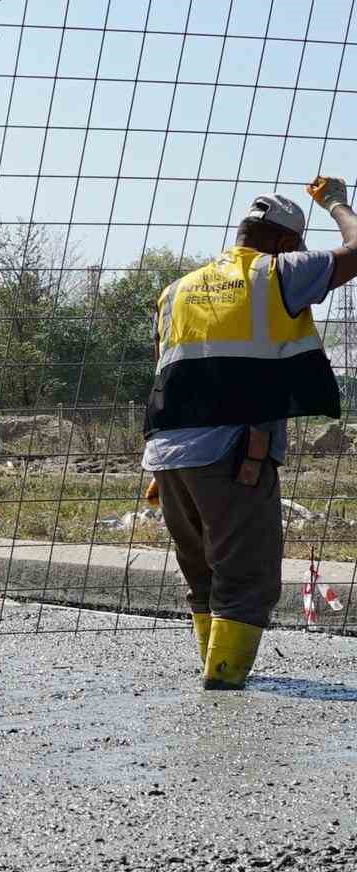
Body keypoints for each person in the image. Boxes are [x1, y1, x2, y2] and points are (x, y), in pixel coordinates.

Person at [143, 183, 349, 690]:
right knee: (246, 577)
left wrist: (149, 471)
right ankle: (224, 685)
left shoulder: (176, 291)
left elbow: (164, 376)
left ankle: (214, 671)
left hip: (167, 455)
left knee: (204, 576)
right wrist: (337, 203)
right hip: (235, 453)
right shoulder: (277, 272)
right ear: (283, 243)